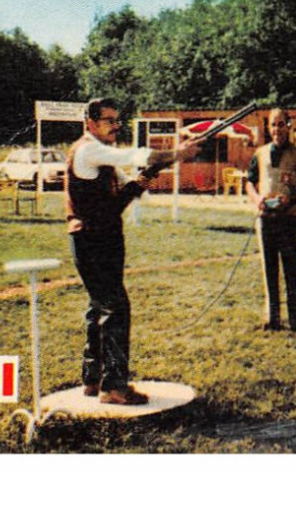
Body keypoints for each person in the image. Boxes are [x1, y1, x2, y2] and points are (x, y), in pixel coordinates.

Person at [65, 96, 196, 405]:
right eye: (108, 121)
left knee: (100, 307)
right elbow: (135, 154)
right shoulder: (89, 149)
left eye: (116, 120)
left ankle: (92, 378)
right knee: (115, 309)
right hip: (93, 239)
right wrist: (177, 153)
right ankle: (113, 386)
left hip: (101, 238)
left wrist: (149, 175)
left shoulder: (100, 158)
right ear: (91, 124)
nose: (115, 126)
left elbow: (122, 194)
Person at [247, 109, 296, 332]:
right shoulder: (260, 154)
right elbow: (250, 182)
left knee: (291, 271)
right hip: (266, 219)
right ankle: (273, 319)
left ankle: (295, 321)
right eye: (273, 125)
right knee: (269, 270)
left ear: (289, 126)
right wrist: (257, 199)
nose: (277, 129)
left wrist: (290, 198)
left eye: (281, 124)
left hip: (290, 221)